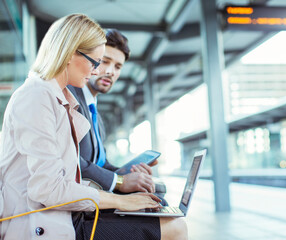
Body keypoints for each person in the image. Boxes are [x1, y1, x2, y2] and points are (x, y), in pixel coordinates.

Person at [0, 14, 187, 239]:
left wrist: (124, 191)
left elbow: (70, 175)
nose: (98, 71)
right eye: (96, 62)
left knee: (161, 214)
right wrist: (120, 200)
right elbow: (48, 188)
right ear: (70, 53)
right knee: (174, 228)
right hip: (40, 225)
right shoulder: (36, 97)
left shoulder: (59, 99)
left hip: (63, 215)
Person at [68, 29, 164, 196]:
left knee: (155, 194)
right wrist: (119, 182)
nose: (111, 71)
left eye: (118, 66)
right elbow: (70, 160)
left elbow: (100, 164)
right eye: (105, 61)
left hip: (92, 195)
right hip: (78, 203)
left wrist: (129, 173)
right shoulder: (70, 98)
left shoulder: (97, 118)